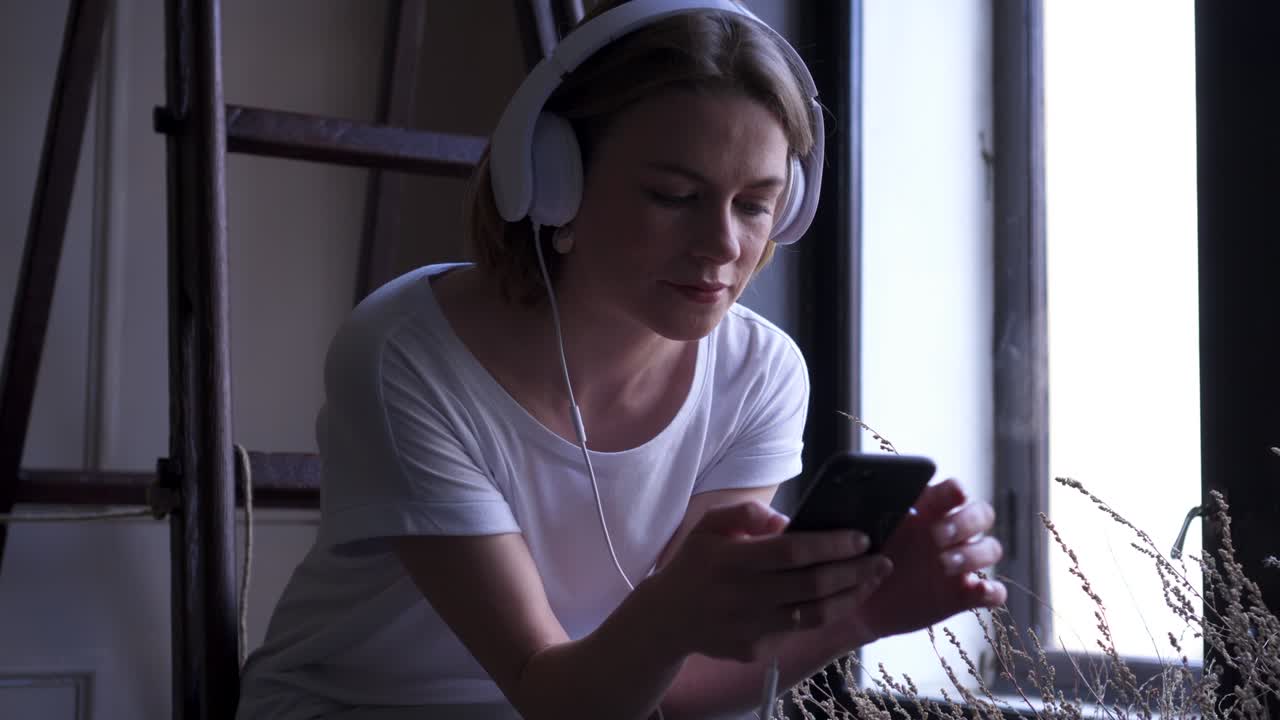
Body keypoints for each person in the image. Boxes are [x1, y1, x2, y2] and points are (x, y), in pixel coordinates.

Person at [235, 1, 1007, 718]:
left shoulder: (760, 375)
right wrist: (674, 611)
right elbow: (555, 693)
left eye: (754, 204)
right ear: (555, 180)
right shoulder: (410, 354)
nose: (724, 246)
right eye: (674, 195)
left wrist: (866, 614)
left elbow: (666, 689)